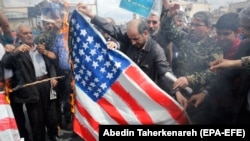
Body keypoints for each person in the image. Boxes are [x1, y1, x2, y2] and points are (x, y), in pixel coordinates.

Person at [76, 2, 174, 96]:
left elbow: (164, 72)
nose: (132, 43)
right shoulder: (129, 39)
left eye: (136, 39)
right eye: (130, 39)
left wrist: (176, 91)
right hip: (129, 89)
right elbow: (112, 28)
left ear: (145, 33)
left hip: (145, 93)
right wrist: (90, 14)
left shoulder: (156, 50)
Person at [160, 0, 223, 124]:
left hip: (198, 98)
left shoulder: (215, 48)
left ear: (208, 28)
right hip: (177, 92)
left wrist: (189, 79)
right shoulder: (184, 38)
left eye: (197, 25)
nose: (192, 28)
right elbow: (167, 29)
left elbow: (213, 72)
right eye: (192, 24)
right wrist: (169, 15)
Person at [2, 24, 59, 141]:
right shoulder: (15, 49)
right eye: (25, 33)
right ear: (18, 36)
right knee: (36, 118)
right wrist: (16, 52)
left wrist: (53, 77)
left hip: (46, 84)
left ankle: (54, 135)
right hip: (31, 87)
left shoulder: (41, 47)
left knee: (51, 114)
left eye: (30, 33)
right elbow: (5, 64)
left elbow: (51, 64)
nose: (29, 35)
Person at [189, 12, 242, 124]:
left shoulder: (243, 50)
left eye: (226, 34)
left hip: (234, 111)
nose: (221, 38)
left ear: (238, 31)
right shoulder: (217, 47)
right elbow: (219, 77)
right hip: (214, 105)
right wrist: (205, 92)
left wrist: (233, 63)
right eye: (218, 33)